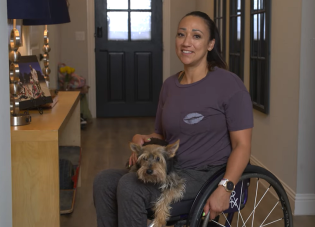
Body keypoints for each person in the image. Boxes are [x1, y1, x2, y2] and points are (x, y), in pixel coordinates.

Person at [93, 11, 253, 227]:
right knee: (104, 181)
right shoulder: (169, 85)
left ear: (210, 44)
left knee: (130, 186)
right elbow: (162, 136)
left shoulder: (229, 85)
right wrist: (143, 138)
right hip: (171, 168)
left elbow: (242, 146)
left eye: (196, 36)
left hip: (208, 174)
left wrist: (225, 188)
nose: (186, 42)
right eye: (181, 34)